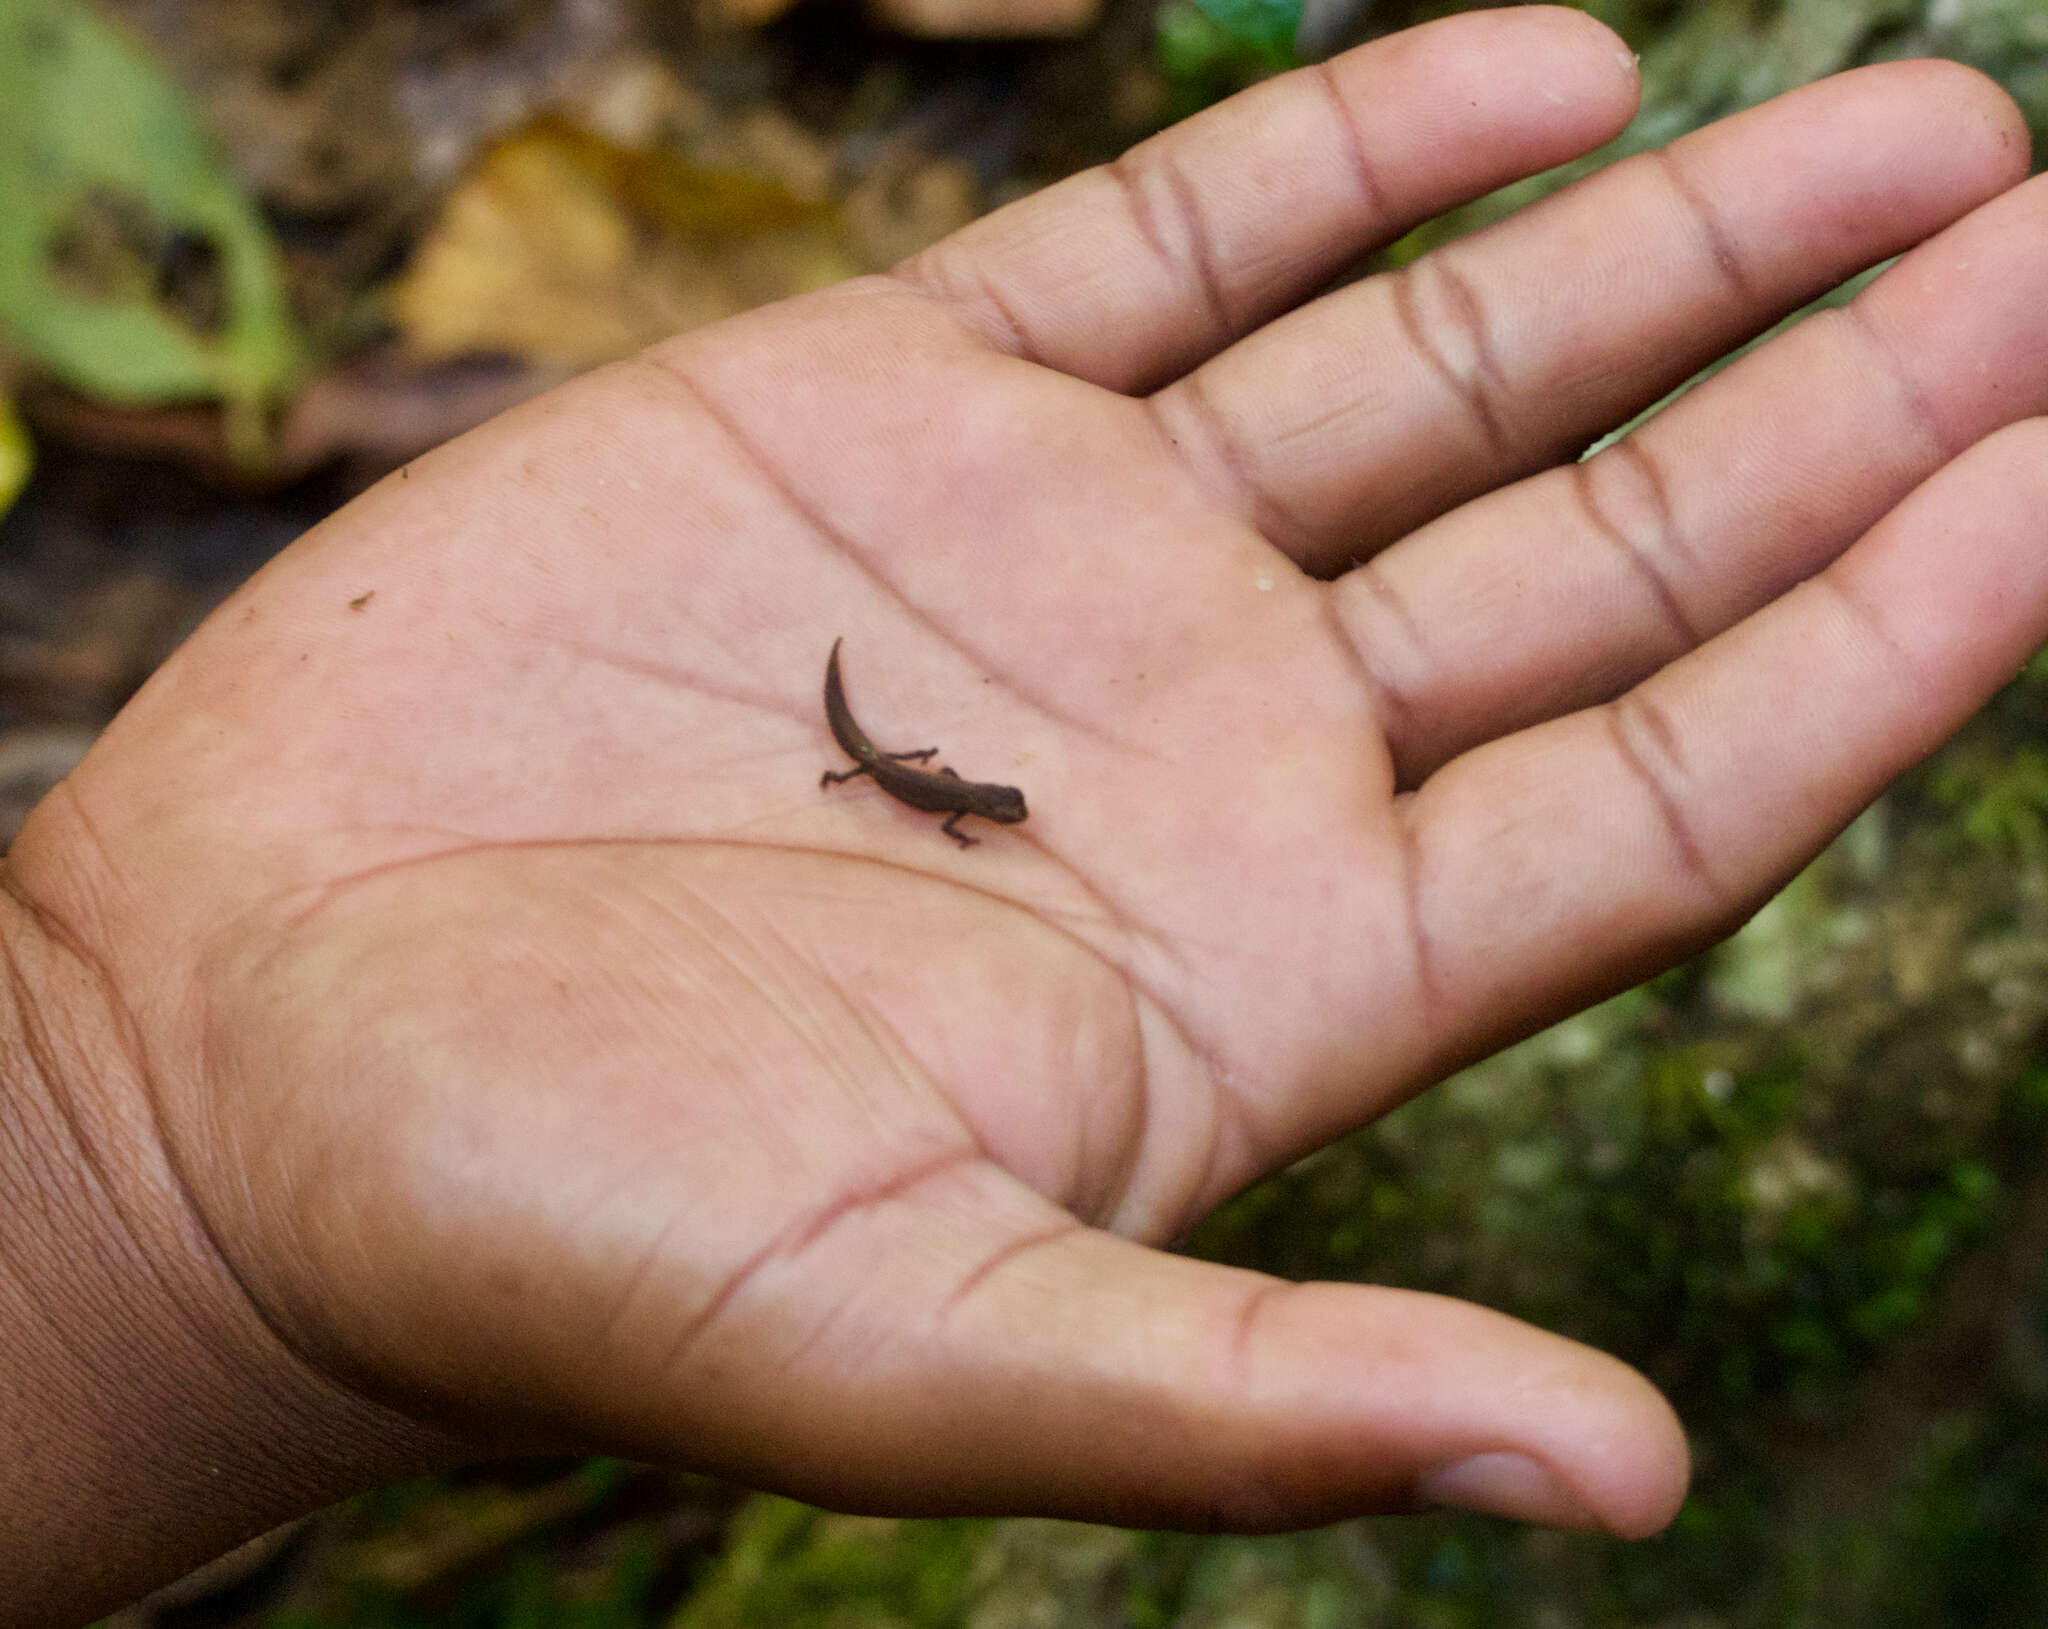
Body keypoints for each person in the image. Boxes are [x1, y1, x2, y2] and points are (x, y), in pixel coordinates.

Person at [6, 7, 2047, 1620]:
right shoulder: (931, 791)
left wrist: (132, 1167)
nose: (980, 801)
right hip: (840, 765)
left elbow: (955, 783)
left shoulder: (965, 789)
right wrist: (138, 1159)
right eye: (973, 797)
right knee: (855, 741)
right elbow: (922, 780)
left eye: (967, 793)